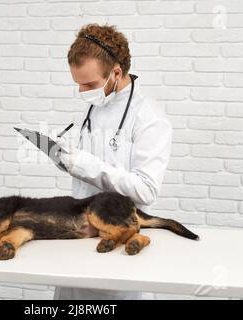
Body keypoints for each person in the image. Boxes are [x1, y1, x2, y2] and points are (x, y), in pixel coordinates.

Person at [52, 23, 173, 300]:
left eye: (89, 85)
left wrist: (84, 163)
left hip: (117, 240)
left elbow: (145, 190)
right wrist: (66, 158)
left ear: (116, 72)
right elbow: (89, 167)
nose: (83, 92)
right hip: (79, 233)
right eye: (78, 84)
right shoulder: (97, 104)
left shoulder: (150, 119)